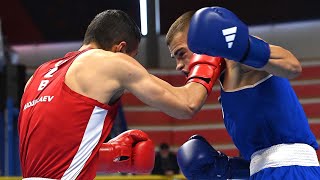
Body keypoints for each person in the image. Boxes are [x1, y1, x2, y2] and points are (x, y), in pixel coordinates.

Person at [18, 9, 225, 179]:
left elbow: (52, 156)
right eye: (133, 57)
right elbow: (187, 104)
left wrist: (112, 154)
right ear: (121, 48)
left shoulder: (37, 77)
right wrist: (207, 57)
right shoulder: (111, 61)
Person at [166, 7, 320, 179]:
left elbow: (292, 66)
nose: (178, 65)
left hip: (293, 172)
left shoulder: (239, 60)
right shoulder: (225, 88)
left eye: (181, 54)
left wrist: (246, 49)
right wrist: (227, 168)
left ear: (199, 40)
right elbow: (262, 158)